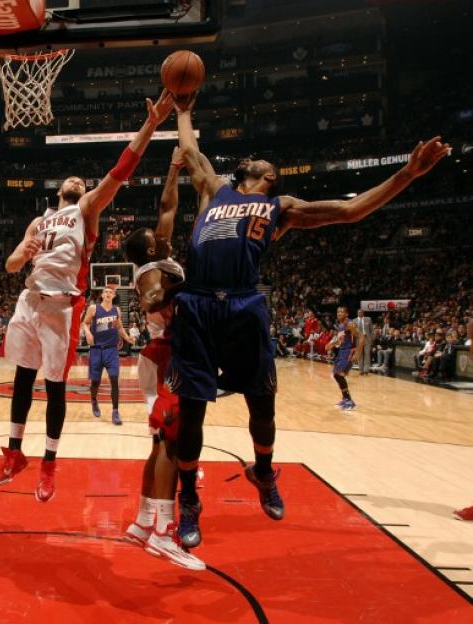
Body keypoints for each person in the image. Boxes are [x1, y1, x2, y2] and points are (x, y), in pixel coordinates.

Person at [169, 92, 448, 548]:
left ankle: (262, 471)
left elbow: (351, 210)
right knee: (191, 412)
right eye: (262, 163)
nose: (269, 166)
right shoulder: (214, 189)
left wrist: (407, 174)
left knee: (262, 404)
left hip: (243, 304)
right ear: (247, 173)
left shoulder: (283, 207)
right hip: (197, 304)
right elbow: (193, 153)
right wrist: (182, 111)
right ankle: (189, 504)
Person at [0, 92, 176, 503]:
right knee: (23, 376)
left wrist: (150, 125)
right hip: (29, 300)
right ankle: (15, 452)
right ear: (60, 190)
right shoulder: (38, 220)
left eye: (82, 180)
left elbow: (121, 168)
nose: (78, 180)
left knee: (55, 386)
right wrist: (21, 254)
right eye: (71, 180)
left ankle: (49, 464)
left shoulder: (87, 208)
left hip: (62, 304)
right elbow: (8, 265)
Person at [120, 146, 204, 570]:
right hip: (165, 357)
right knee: (171, 443)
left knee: (159, 445)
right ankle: (162, 532)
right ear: (148, 248)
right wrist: (194, 288)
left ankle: (140, 522)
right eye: (156, 236)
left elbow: (168, 206)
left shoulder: (161, 256)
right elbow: (154, 300)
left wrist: (173, 169)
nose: (161, 232)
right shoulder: (150, 271)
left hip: (162, 357)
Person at [83, 286, 135, 425]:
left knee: (114, 380)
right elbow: (85, 323)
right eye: (105, 291)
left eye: (110, 292)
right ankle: (94, 400)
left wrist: (127, 338)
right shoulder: (94, 308)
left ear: (113, 296)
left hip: (111, 351)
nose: (108, 294)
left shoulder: (116, 310)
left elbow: (119, 328)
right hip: (96, 350)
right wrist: (87, 332)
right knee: (95, 383)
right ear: (102, 295)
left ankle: (115, 412)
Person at [327, 307, 362, 411]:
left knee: (339, 374)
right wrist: (333, 344)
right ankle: (345, 398)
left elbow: (361, 337)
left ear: (346, 314)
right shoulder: (340, 326)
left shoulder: (349, 324)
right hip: (341, 352)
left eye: (342, 312)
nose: (339, 313)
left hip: (348, 352)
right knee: (336, 375)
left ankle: (349, 400)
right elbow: (341, 340)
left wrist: (357, 353)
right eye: (338, 311)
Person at [355, 309, 374, 375]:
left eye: (361, 312)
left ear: (363, 313)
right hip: (359, 339)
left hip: (367, 339)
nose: (360, 313)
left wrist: (371, 339)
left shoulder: (368, 319)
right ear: (357, 313)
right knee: (360, 355)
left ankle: (366, 370)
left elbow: (371, 330)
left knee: (367, 354)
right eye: (358, 312)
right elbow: (353, 332)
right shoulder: (354, 321)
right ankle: (361, 370)